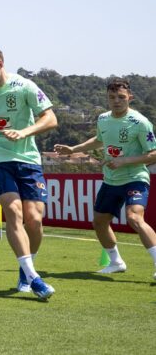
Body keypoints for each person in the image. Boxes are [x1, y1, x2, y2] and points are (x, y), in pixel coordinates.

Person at [0, 46, 58, 300]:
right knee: (13, 211)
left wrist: (24, 132)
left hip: (28, 160)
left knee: (35, 220)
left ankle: (25, 269)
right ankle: (34, 278)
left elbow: (50, 119)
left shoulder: (24, 86)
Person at [54, 78, 156, 280]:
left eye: (121, 97)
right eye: (112, 97)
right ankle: (116, 262)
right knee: (100, 222)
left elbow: (153, 153)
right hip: (111, 180)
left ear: (130, 98)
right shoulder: (103, 119)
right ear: (107, 99)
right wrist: (73, 149)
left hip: (134, 177)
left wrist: (124, 161)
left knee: (134, 218)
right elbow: (99, 140)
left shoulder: (141, 122)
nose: (116, 101)